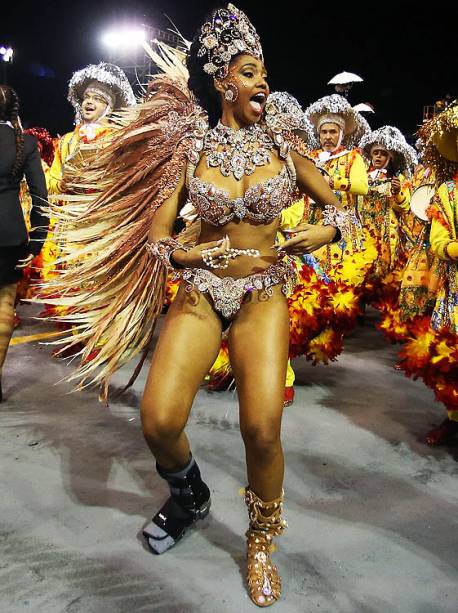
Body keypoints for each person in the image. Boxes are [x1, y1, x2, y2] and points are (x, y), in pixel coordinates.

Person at [36, 5, 357, 606]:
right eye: (249, 71)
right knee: (158, 420)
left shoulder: (287, 143)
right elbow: (159, 237)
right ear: (222, 81)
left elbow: (341, 209)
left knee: (261, 428)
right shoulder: (189, 149)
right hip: (202, 293)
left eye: (265, 72)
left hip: (263, 292)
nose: (263, 82)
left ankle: (261, 539)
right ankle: (190, 495)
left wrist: (325, 232)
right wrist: (185, 256)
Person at [399, 101, 458, 445]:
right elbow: (438, 241)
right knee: (450, 360)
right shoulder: (447, 192)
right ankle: (454, 417)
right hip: (454, 293)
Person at [0, 85, 48, 400]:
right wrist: (38, 239)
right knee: (3, 305)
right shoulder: (24, 143)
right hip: (9, 233)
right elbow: (40, 196)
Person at [358, 126, 417, 290]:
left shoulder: (398, 179)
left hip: (386, 229)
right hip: (363, 227)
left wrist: (397, 192)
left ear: (390, 158)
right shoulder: (361, 176)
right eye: (376, 152)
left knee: (384, 271)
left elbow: (405, 207)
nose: (378, 156)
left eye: (383, 153)